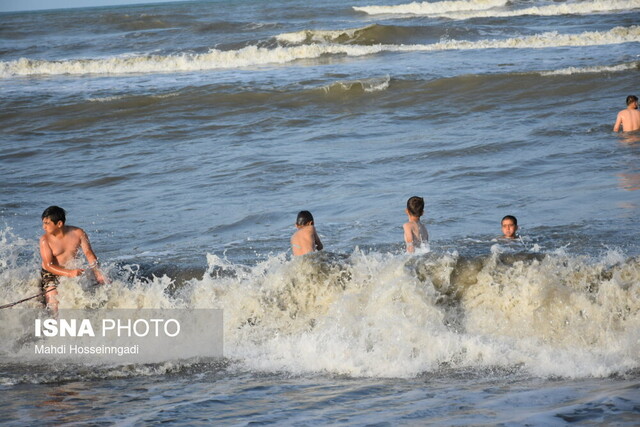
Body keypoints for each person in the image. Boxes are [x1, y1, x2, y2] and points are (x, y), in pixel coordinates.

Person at [39, 206, 106, 314]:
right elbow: (48, 265)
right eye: (43, 223)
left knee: (97, 289)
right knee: (54, 300)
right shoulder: (45, 240)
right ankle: (54, 323)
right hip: (51, 272)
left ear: (59, 224)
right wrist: (69, 273)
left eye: (47, 223)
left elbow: (88, 253)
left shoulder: (78, 233)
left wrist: (98, 273)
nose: (44, 227)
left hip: (71, 268)